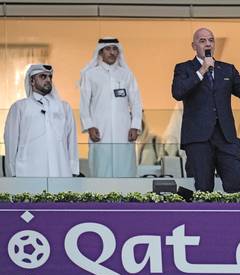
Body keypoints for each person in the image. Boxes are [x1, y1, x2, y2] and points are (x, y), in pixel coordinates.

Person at [171, 27, 240, 192]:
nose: (207, 44)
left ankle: (235, 217)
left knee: (236, 182)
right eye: (202, 40)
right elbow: (177, 92)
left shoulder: (227, 69)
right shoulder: (184, 68)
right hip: (198, 138)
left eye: (211, 40)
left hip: (225, 136)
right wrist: (202, 71)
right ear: (194, 46)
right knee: (203, 188)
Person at [80, 37, 143, 177]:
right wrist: (89, 126)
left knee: (125, 170)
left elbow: (136, 102)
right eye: (108, 49)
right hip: (100, 131)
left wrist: (135, 126)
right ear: (100, 52)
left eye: (115, 49)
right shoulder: (90, 75)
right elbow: (84, 104)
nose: (112, 52)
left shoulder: (127, 74)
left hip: (124, 132)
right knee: (101, 170)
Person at [4, 64, 79, 177]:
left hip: (60, 170)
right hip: (28, 172)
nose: (48, 80)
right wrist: (12, 172)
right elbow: (11, 140)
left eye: (50, 77)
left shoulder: (63, 107)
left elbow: (71, 140)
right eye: (43, 76)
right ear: (32, 81)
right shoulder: (20, 107)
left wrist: (73, 169)